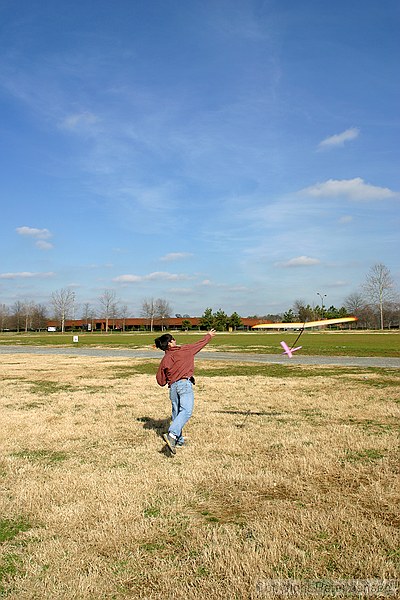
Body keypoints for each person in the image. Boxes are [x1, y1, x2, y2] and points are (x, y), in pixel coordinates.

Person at [155, 329, 216, 454]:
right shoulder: (185, 350)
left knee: (177, 413)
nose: (175, 340)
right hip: (184, 384)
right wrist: (208, 336)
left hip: (172, 388)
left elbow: (160, 381)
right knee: (186, 411)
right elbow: (199, 344)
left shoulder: (165, 359)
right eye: (173, 339)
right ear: (170, 343)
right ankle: (172, 434)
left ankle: (179, 440)